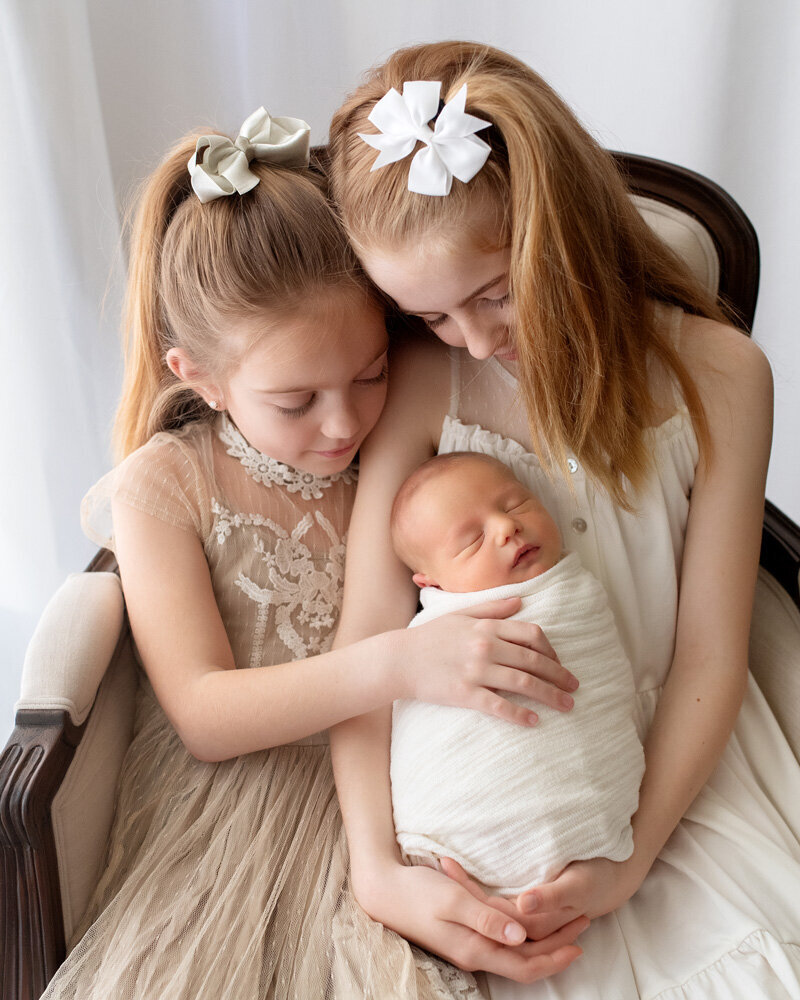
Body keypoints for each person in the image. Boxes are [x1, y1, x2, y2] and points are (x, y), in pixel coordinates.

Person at [41, 107, 585, 1000]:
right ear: (199, 378)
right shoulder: (164, 489)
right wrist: (401, 662)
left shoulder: (397, 436)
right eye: (296, 401)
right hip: (246, 809)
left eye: (370, 374)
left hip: (406, 773)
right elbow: (206, 715)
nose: (343, 424)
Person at [327, 41, 800, 997]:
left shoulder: (721, 376)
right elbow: (369, 642)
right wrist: (379, 874)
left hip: (675, 759)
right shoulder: (424, 384)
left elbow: (711, 652)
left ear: (566, 231)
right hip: (484, 773)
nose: (474, 339)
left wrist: (628, 857)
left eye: (494, 293)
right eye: (432, 317)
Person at [389, 451, 645, 898]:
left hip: (608, 840)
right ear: (431, 584)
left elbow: (606, 688)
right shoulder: (433, 633)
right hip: (458, 845)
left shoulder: (574, 591)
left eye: (514, 505)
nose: (506, 527)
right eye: (471, 541)